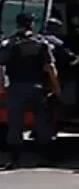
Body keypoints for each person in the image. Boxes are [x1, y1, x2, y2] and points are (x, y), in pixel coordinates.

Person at [0, 13, 61, 169]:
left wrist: (3, 86)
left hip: (16, 88)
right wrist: (56, 88)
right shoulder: (41, 43)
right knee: (42, 122)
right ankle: (47, 155)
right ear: (32, 24)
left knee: (15, 124)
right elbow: (50, 68)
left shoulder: (9, 44)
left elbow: (1, 66)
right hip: (38, 88)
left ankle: (14, 159)